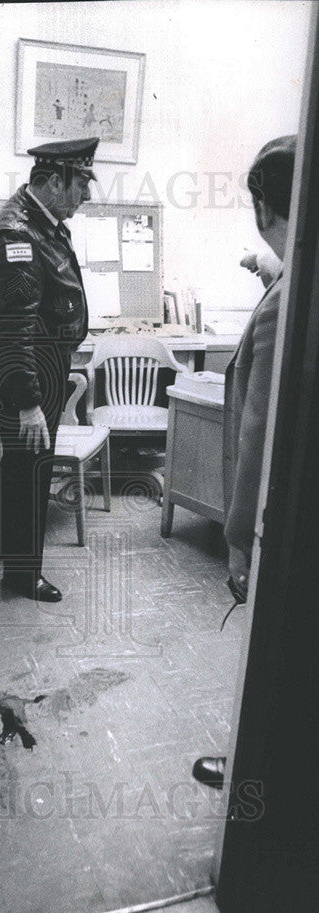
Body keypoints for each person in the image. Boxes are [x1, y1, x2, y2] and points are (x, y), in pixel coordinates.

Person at [193, 135, 296, 790]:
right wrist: (268, 270)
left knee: (273, 656)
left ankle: (256, 772)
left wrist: (236, 543)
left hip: (282, 527)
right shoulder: (290, 283)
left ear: (262, 207)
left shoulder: (284, 304)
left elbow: (258, 434)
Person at [0, 137, 99, 601]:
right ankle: (23, 576)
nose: (87, 194)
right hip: (24, 369)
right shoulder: (17, 236)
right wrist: (26, 403)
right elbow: (11, 329)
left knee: (22, 462)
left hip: (43, 363)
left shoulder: (44, 222)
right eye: (81, 182)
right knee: (32, 469)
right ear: (52, 179)